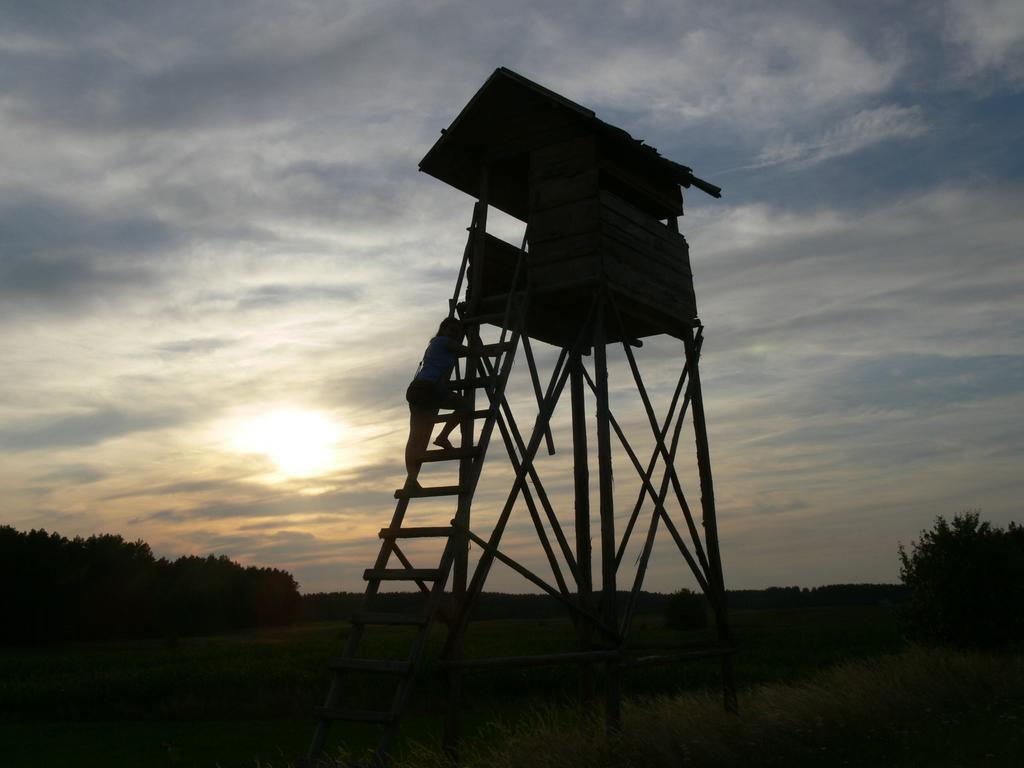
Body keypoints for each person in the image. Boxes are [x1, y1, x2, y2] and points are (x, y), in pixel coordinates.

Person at [404, 317, 473, 480]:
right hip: (428, 389)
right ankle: (443, 437)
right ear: (443, 330)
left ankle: (412, 478)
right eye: (451, 330)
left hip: (417, 389)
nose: (454, 334)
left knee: (415, 436)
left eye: (457, 332)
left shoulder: (434, 344)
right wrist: (488, 351)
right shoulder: (444, 342)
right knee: (465, 406)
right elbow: (470, 352)